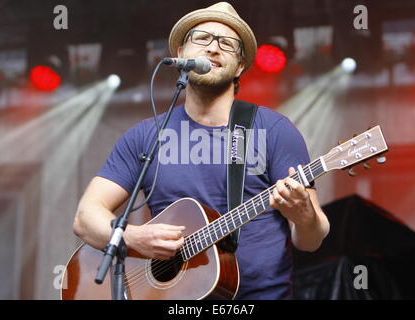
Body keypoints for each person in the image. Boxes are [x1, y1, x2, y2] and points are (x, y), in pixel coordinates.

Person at [73, 2, 330, 300]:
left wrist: (304, 216)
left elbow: (311, 240)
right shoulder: (145, 136)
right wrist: (134, 238)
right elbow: (85, 217)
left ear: (240, 66)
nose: (214, 48)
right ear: (181, 54)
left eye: (228, 44)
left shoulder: (274, 131)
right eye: (202, 38)